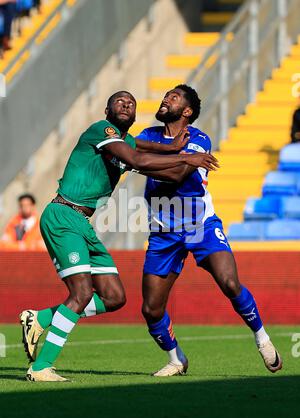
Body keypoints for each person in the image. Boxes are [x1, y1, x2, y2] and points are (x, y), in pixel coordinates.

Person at [20, 90, 218, 382]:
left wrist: (174, 147)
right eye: (119, 101)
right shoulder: (102, 131)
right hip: (63, 216)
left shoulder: (124, 141)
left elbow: (144, 146)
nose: (126, 104)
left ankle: (41, 319)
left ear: (136, 115)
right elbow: (140, 157)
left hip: (82, 223)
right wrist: (189, 158)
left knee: (114, 297)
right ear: (106, 110)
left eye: (131, 103)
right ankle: (41, 367)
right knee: (82, 293)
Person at [136, 84, 282, 376]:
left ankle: (262, 338)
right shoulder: (148, 135)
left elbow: (175, 174)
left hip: (200, 224)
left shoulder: (199, 138)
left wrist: (140, 165)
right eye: (166, 95)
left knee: (229, 283)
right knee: (151, 310)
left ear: (187, 111)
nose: (165, 99)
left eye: (173, 97)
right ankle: (176, 359)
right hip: (163, 232)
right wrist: (143, 161)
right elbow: (135, 157)